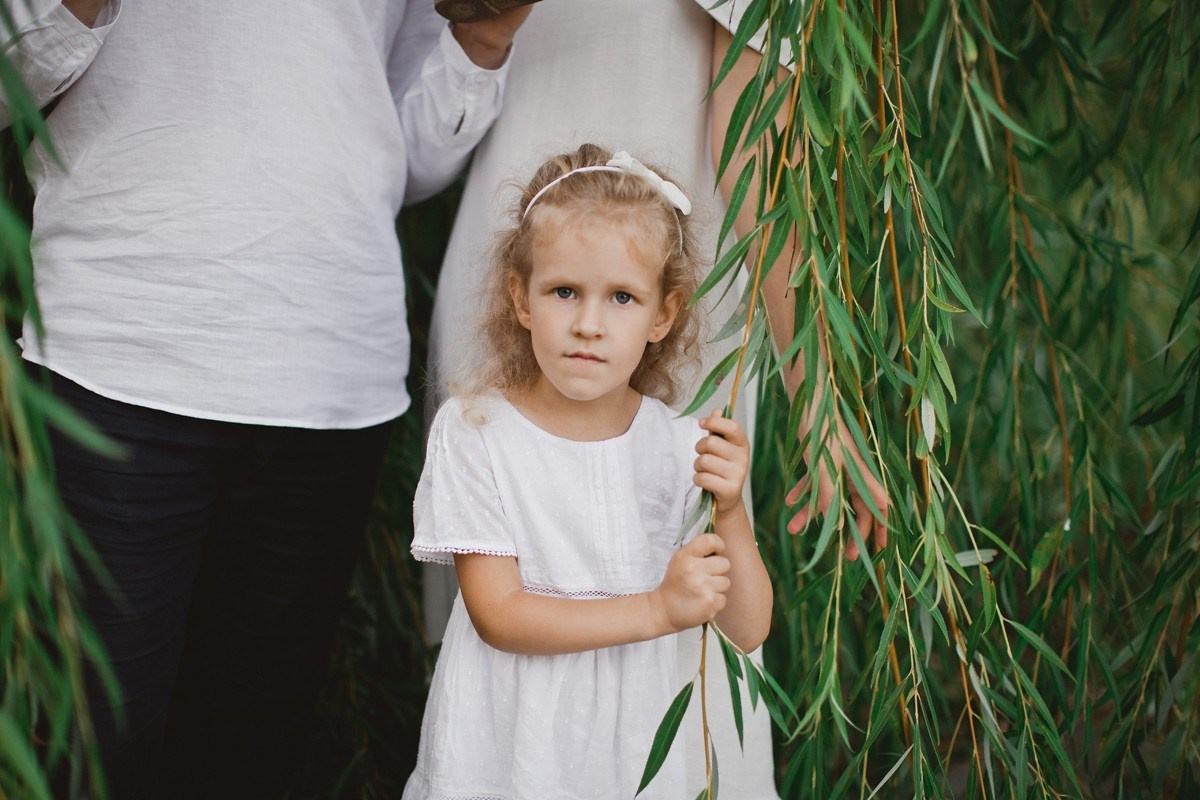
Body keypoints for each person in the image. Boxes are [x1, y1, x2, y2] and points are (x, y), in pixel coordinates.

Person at [0, 1, 530, 798]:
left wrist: (486, 34)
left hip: (328, 372)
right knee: (91, 751)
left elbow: (401, 147)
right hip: (118, 354)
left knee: (250, 753)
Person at [403, 144, 773, 799]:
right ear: (521, 298)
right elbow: (500, 613)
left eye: (623, 297)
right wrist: (658, 608)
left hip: (639, 751)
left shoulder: (681, 446)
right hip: (516, 748)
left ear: (664, 314)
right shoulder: (478, 433)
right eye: (564, 291)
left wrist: (734, 511)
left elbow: (745, 630)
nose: (589, 324)